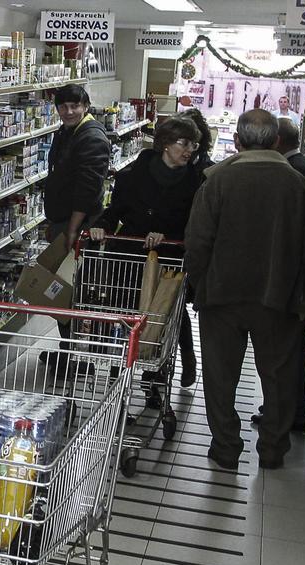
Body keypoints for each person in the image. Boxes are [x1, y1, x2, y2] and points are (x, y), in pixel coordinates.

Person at [184, 109, 305, 470]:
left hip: (221, 297)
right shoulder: (299, 185)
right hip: (279, 299)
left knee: (220, 377)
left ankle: (226, 448)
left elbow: (197, 243)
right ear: (277, 142)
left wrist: (200, 285)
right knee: (278, 378)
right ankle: (272, 450)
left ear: (237, 141)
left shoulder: (216, 182)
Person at [94, 116, 205, 388]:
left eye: (194, 144)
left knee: (167, 314)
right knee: (127, 313)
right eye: (184, 143)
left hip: (169, 261)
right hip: (129, 258)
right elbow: (115, 211)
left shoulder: (197, 183)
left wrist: (168, 236)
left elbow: (197, 224)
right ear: (166, 144)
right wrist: (100, 226)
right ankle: (120, 374)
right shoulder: (133, 175)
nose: (190, 150)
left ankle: (170, 367)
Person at [249, 119, 305, 433]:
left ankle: (288, 414)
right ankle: (284, 409)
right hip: (298, 281)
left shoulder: (296, 173)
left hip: (295, 283)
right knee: (288, 352)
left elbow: (304, 237)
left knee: (287, 354)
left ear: (277, 142)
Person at [40, 84, 110, 364]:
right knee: (62, 291)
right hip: (63, 222)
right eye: (63, 106)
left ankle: (80, 355)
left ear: (86, 106)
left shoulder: (91, 137)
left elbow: (88, 188)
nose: (69, 111)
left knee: (74, 291)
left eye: (75, 106)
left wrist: (71, 229)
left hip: (79, 228)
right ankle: (69, 351)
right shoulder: (67, 131)